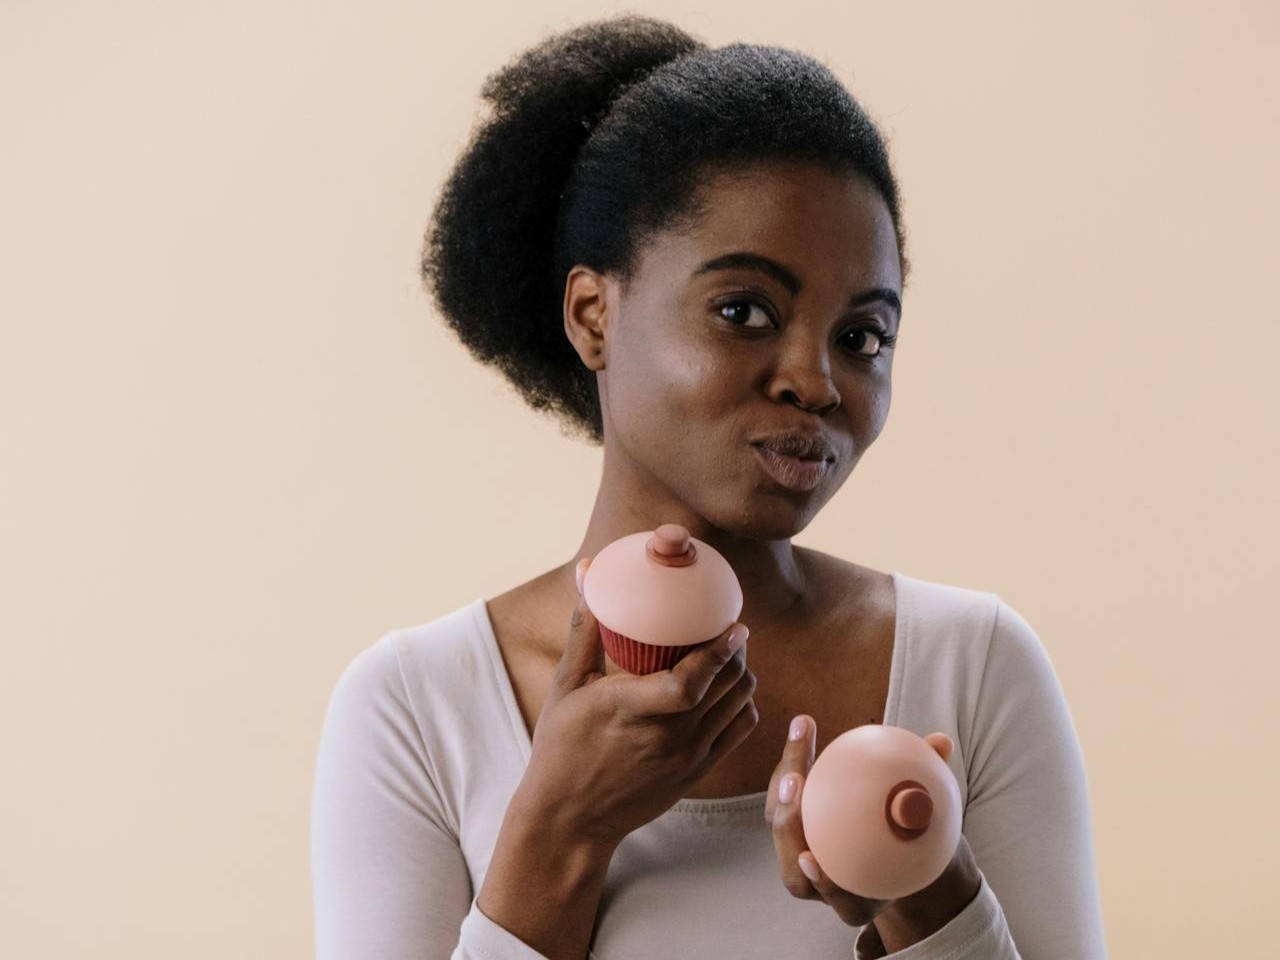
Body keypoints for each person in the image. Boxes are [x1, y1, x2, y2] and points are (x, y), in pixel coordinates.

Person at [309, 14, 1107, 960]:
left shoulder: (970, 669)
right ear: (593, 315)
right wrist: (558, 829)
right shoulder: (418, 707)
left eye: (862, 337)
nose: (816, 381)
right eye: (744, 311)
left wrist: (931, 896)